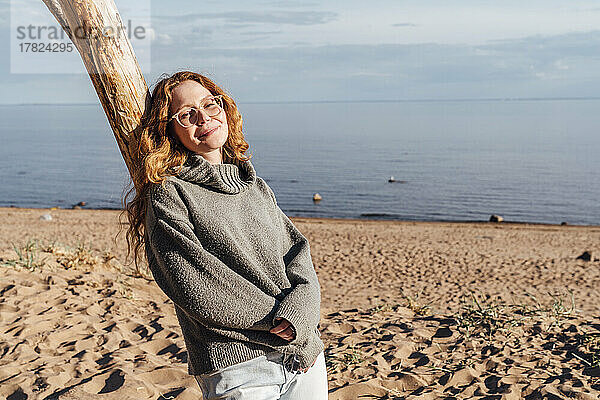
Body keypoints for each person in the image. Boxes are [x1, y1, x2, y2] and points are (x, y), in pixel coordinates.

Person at [119, 70, 328, 399]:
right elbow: (196, 286)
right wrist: (278, 320)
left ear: (224, 108)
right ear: (170, 129)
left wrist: (299, 316)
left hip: (304, 354)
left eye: (209, 104)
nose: (203, 117)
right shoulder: (169, 194)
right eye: (187, 114)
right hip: (239, 367)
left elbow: (299, 256)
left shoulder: (253, 184)